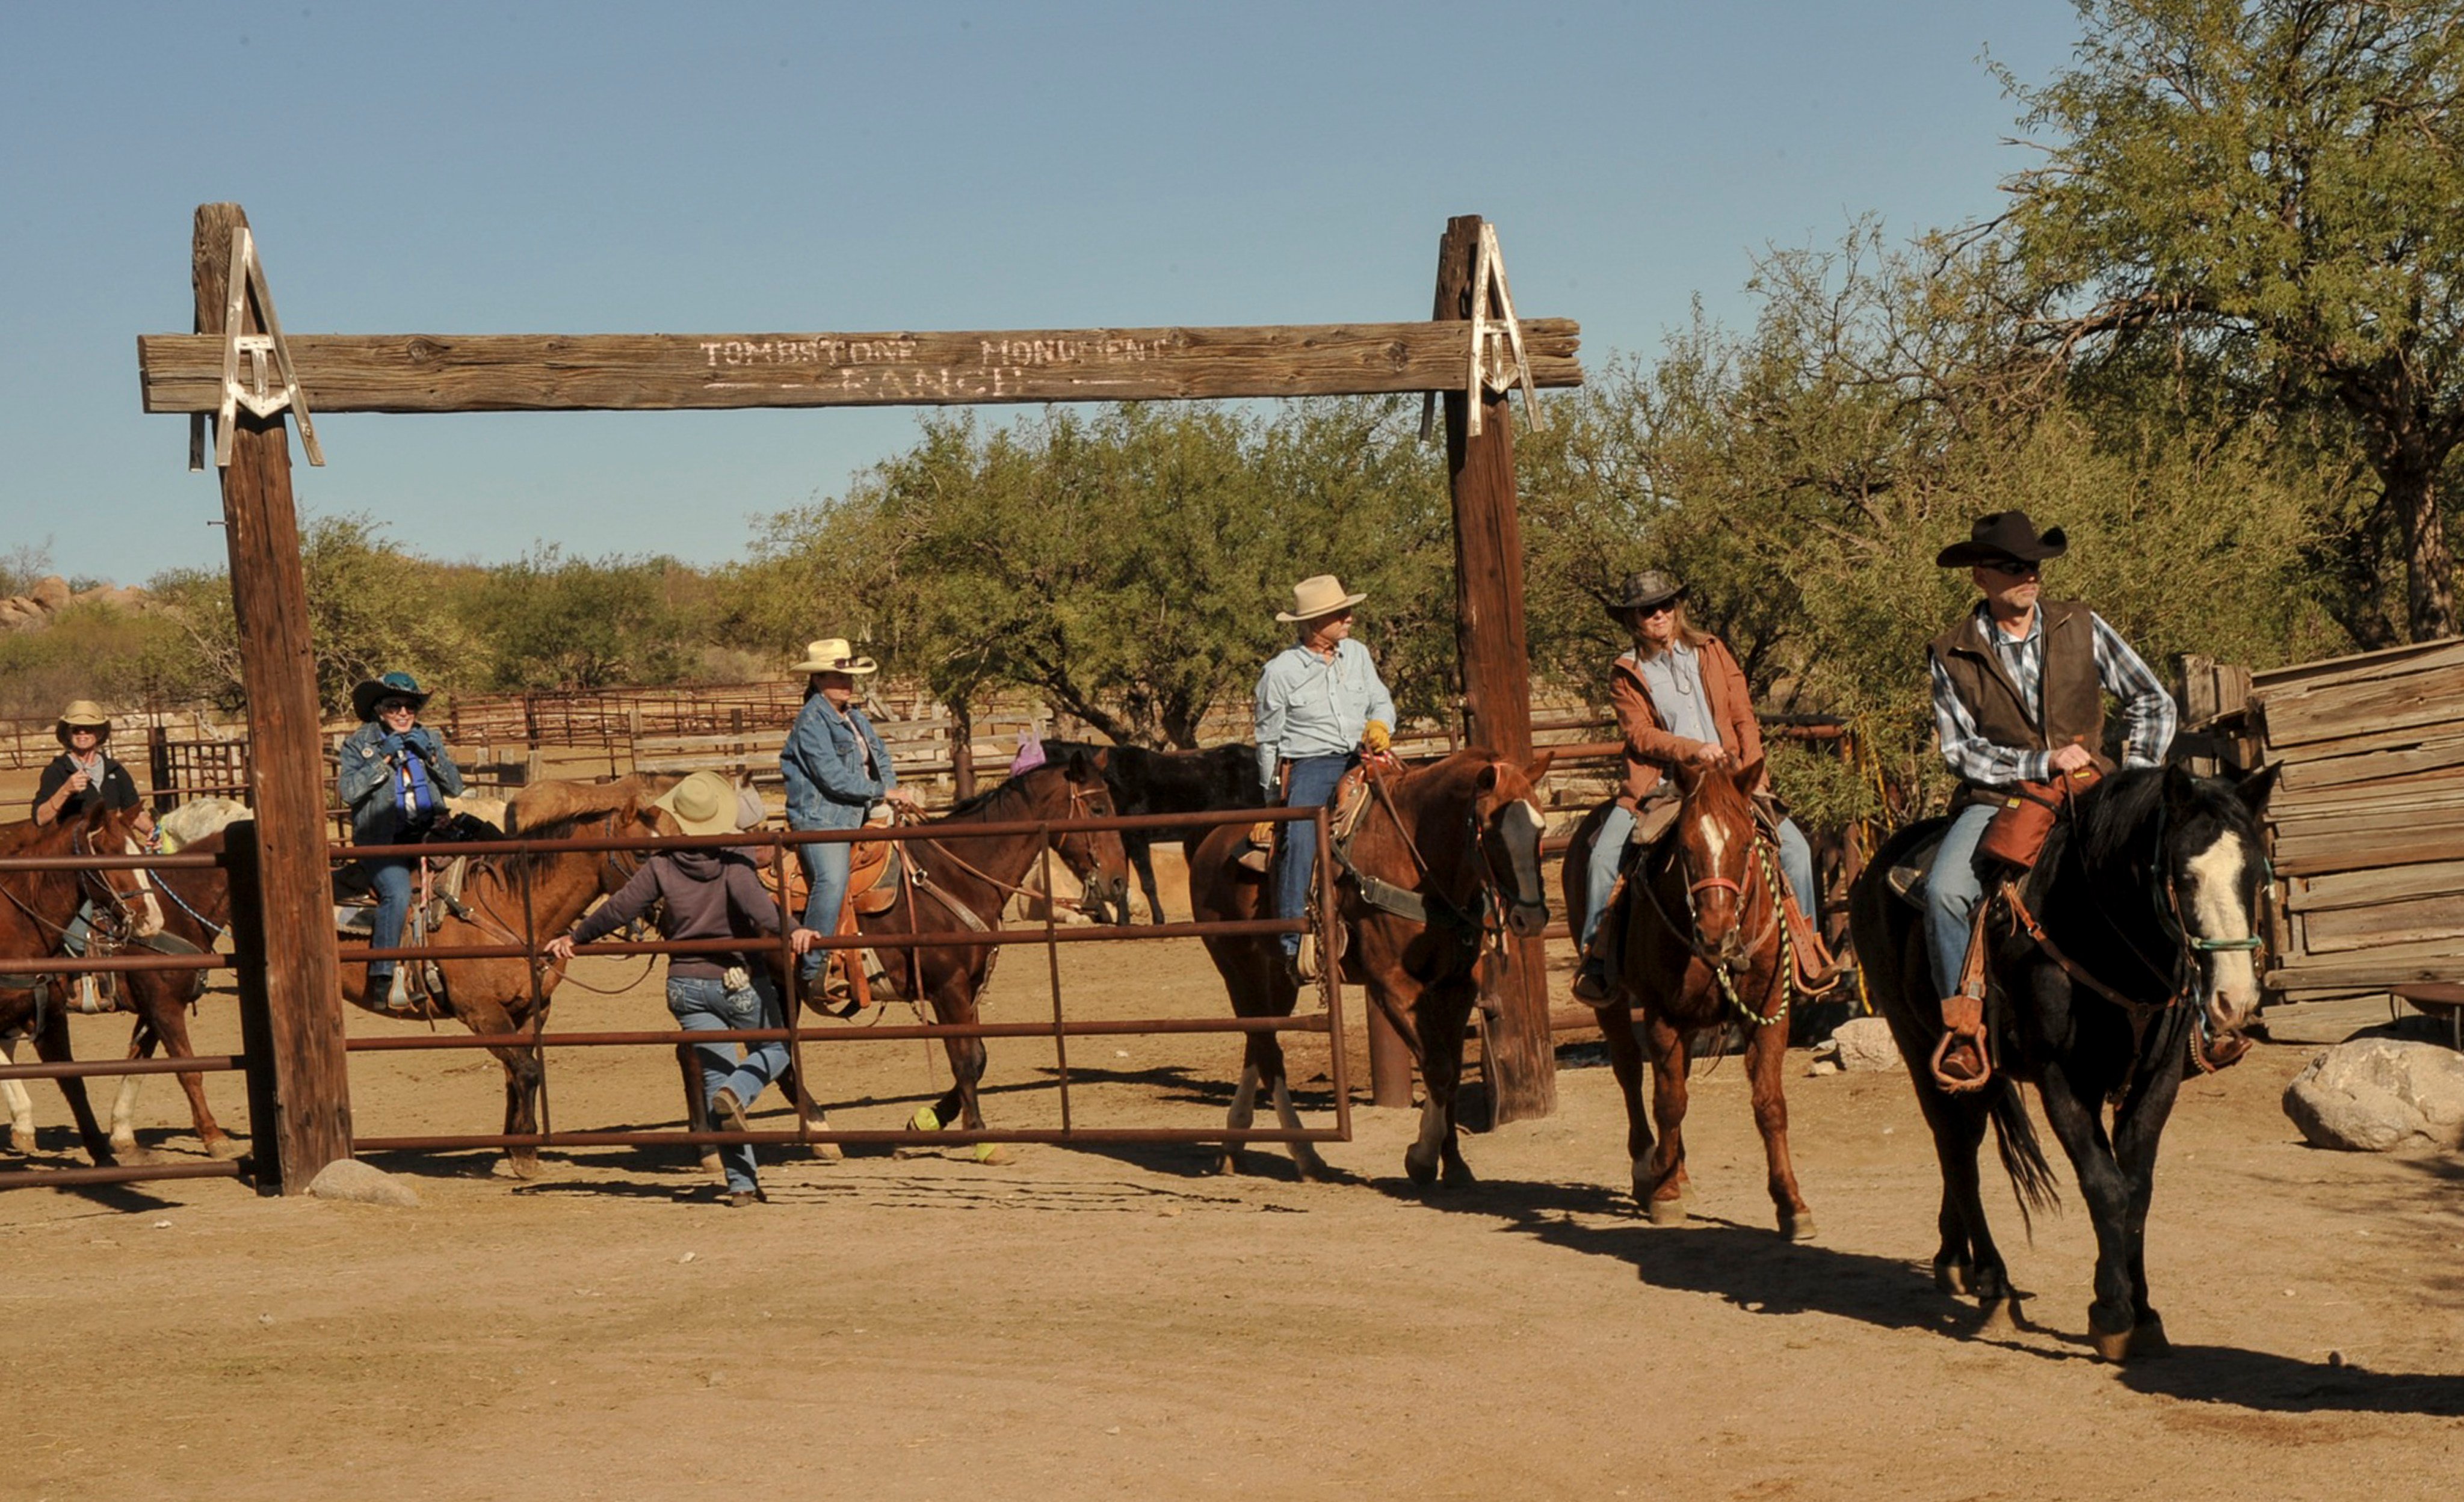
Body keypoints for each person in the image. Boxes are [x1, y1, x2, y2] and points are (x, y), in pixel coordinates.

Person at [1925, 511, 2176, 1088]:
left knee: (2173, 865)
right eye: (2013, 566)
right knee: (1944, 892)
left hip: (2092, 788)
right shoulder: (1950, 651)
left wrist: (2135, 782)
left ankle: (2197, 1010)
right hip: (1998, 797)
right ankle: (1963, 1029)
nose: (2028, 575)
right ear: (1980, 576)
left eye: (2034, 565)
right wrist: (2040, 762)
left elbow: (2152, 700)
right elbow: (1960, 750)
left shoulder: (2080, 624)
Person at [546, 771, 822, 1207]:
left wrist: (575, 937)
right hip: (737, 979)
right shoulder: (733, 861)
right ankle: (741, 1094)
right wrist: (796, 929)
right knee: (776, 1046)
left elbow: (620, 907)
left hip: (684, 986)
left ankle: (741, 1184)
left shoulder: (661, 863)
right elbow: (760, 910)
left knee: (715, 1076)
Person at [1572, 571, 1820, 1002]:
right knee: (1603, 859)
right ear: (1632, 619)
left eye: (1665, 605)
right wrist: (1693, 750)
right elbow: (1640, 735)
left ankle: (1805, 952)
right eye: (1647, 610)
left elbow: (1743, 715)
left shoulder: (1712, 650)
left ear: (1676, 608)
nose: (1659, 615)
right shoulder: (1626, 671)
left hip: (1730, 781)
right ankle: (1598, 960)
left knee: (1795, 850)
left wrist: (1754, 774)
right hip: (1664, 784)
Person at [1252, 573, 1397, 978]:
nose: (1349, 617)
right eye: (1340, 613)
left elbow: (1380, 700)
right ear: (1315, 623)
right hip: (1312, 764)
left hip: (1364, 754)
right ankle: (1294, 937)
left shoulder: (1358, 655)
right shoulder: (1279, 672)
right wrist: (1271, 799)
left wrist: (1381, 724)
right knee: (1300, 836)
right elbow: (1268, 738)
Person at [779, 638, 919, 993]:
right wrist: (883, 792)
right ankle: (813, 966)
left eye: (849, 677)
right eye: (837, 677)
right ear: (817, 680)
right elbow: (832, 777)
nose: (847, 683)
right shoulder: (811, 722)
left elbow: (880, 757)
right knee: (832, 880)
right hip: (821, 820)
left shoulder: (855, 717)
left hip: (860, 812)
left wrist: (888, 795)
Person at [336, 670, 464, 1013]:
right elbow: (349, 792)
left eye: (411, 707)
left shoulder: (429, 737)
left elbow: (455, 787)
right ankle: (383, 974)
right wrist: (384, 760)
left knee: (483, 868)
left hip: (430, 834)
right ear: (379, 710)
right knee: (397, 892)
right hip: (382, 840)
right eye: (395, 706)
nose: (404, 713)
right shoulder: (358, 744)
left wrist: (431, 758)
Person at [32, 700, 152, 837]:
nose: (82, 733)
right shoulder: (57, 770)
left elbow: (134, 812)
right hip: (74, 844)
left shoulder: (115, 770)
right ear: (68, 734)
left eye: (89, 728)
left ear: (100, 733)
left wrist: (153, 832)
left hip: (110, 843)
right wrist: (65, 790)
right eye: (75, 729)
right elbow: (40, 818)